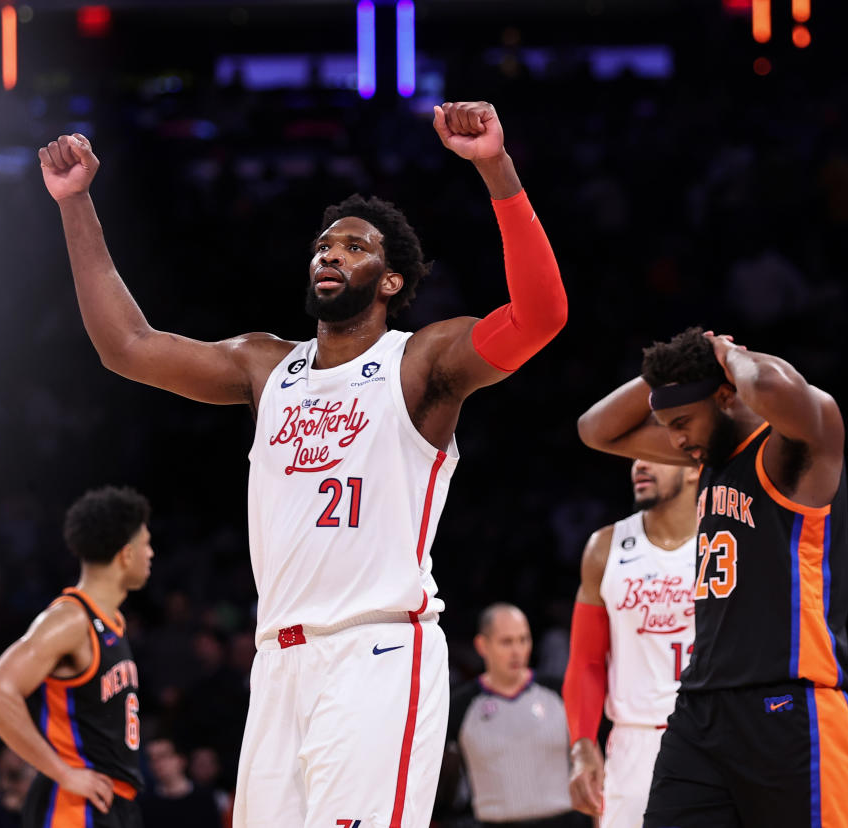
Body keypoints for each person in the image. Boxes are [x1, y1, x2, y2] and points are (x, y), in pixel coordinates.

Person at [35, 99, 566, 828]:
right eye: (324, 244)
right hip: (279, 661)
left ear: (389, 281)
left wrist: (496, 168)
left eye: (353, 247)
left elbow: (540, 316)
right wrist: (76, 205)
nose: (330, 253)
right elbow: (126, 346)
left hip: (376, 650)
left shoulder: (417, 364)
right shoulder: (266, 366)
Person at [577, 327, 848, 828]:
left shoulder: (795, 449)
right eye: (668, 424)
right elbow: (595, 429)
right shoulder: (707, 455)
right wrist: (664, 376)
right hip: (701, 709)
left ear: (727, 393)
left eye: (683, 421)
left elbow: (771, 389)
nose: (676, 438)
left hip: (790, 702)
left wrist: (726, 353)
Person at [0, 486, 154, 828]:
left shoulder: (113, 622)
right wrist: (63, 772)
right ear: (126, 554)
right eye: (146, 543)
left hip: (114, 802)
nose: (151, 553)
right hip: (75, 805)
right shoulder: (70, 619)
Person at [563, 459, 698, 828]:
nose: (639, 462)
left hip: (711, 736)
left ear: (694, 468)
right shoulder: (605, 548)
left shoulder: (727, 545)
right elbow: (586, 661)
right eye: (635, 454)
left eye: (655, 453)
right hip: (632, 744)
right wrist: (583, 744)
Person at [446, 604, 584, 827]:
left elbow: (593, 760)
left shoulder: (560, 693)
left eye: (523, 640)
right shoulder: (460, 705)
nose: (517, 651)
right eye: (506, 642)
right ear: (482, 645)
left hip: (564, 821)